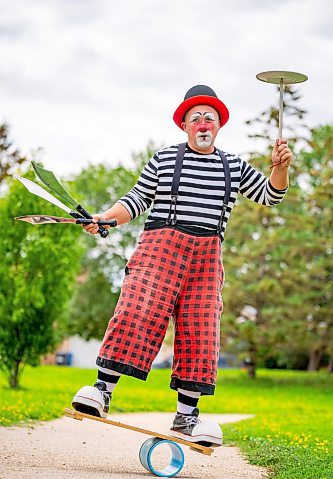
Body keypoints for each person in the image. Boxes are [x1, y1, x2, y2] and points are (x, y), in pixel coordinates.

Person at [72, 85, 292, 446]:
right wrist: (106, 218)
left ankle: (187, 417)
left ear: (219, 125)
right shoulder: (164, 159)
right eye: (196, 118)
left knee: (201, 329)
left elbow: (272, 194)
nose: (203, 123)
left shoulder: (233, 166)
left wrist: (280, 168)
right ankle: (101, 391)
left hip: (206, 257)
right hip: (160, 249)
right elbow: (136, 199)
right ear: (185, 126)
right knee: (137, 310)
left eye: (210, 117)